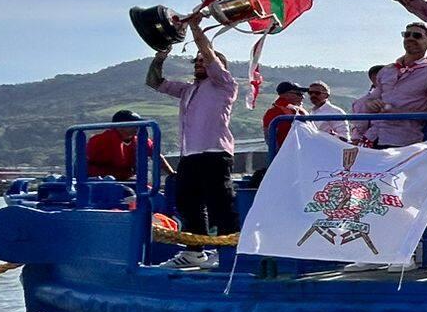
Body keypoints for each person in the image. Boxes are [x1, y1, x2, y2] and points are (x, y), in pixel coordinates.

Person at [146, 14, 239, 267]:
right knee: (188, 203)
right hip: (189, 155)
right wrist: (161, 55)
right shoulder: (187, 89)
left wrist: (196, 26)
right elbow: (153, 82)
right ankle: (194, 253)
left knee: (221, 204)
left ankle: (229, 251)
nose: (200, 63)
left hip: (214, 152)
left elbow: (208, 52)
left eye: (204, 61)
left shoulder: (224, 84)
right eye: (196, 62)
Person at [366, 22, 427, 149]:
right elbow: (372, 98)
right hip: (373, 137)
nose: (410, 38)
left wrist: (400, 113)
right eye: (407, 35)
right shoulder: (387, 70)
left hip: (406, 142)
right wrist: (371, 103)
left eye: (417, 35)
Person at [86, 110, 143, 182]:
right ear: (120, 126)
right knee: (128, 192)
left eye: (138, 124)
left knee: (153, 191)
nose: (137, 127)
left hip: (125, 180)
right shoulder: (101, 140)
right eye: (133, 124)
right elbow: (83, 163)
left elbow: (156, 154)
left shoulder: (140, 140)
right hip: (100, 183)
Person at [262, 81, 305, 154]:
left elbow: (268, 139)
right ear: (286, 94)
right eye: (298, 94)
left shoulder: (272, 111)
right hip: (291, 154)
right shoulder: (292, 110)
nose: (302, 97)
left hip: (288, 154)